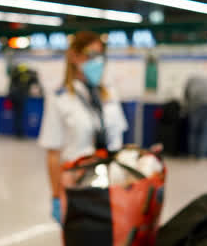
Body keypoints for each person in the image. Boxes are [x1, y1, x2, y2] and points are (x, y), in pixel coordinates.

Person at [38, 31, 128, 222]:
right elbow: (53, 153)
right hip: (78, 187)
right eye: (91, 55)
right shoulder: (59, 98)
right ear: (74, 57)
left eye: (100, 55)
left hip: (113, 183)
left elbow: (117, 139)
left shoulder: (109, 93)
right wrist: (56, 196)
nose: (97, 61)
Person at [8, 63, 41, 138]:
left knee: (17, 115)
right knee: (19, 114)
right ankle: (19, 133)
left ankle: (17, 132)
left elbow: (11, 83)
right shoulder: (30, 74)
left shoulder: (17, 72)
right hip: (20, 96)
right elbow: (37, 84)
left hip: (14, 96)